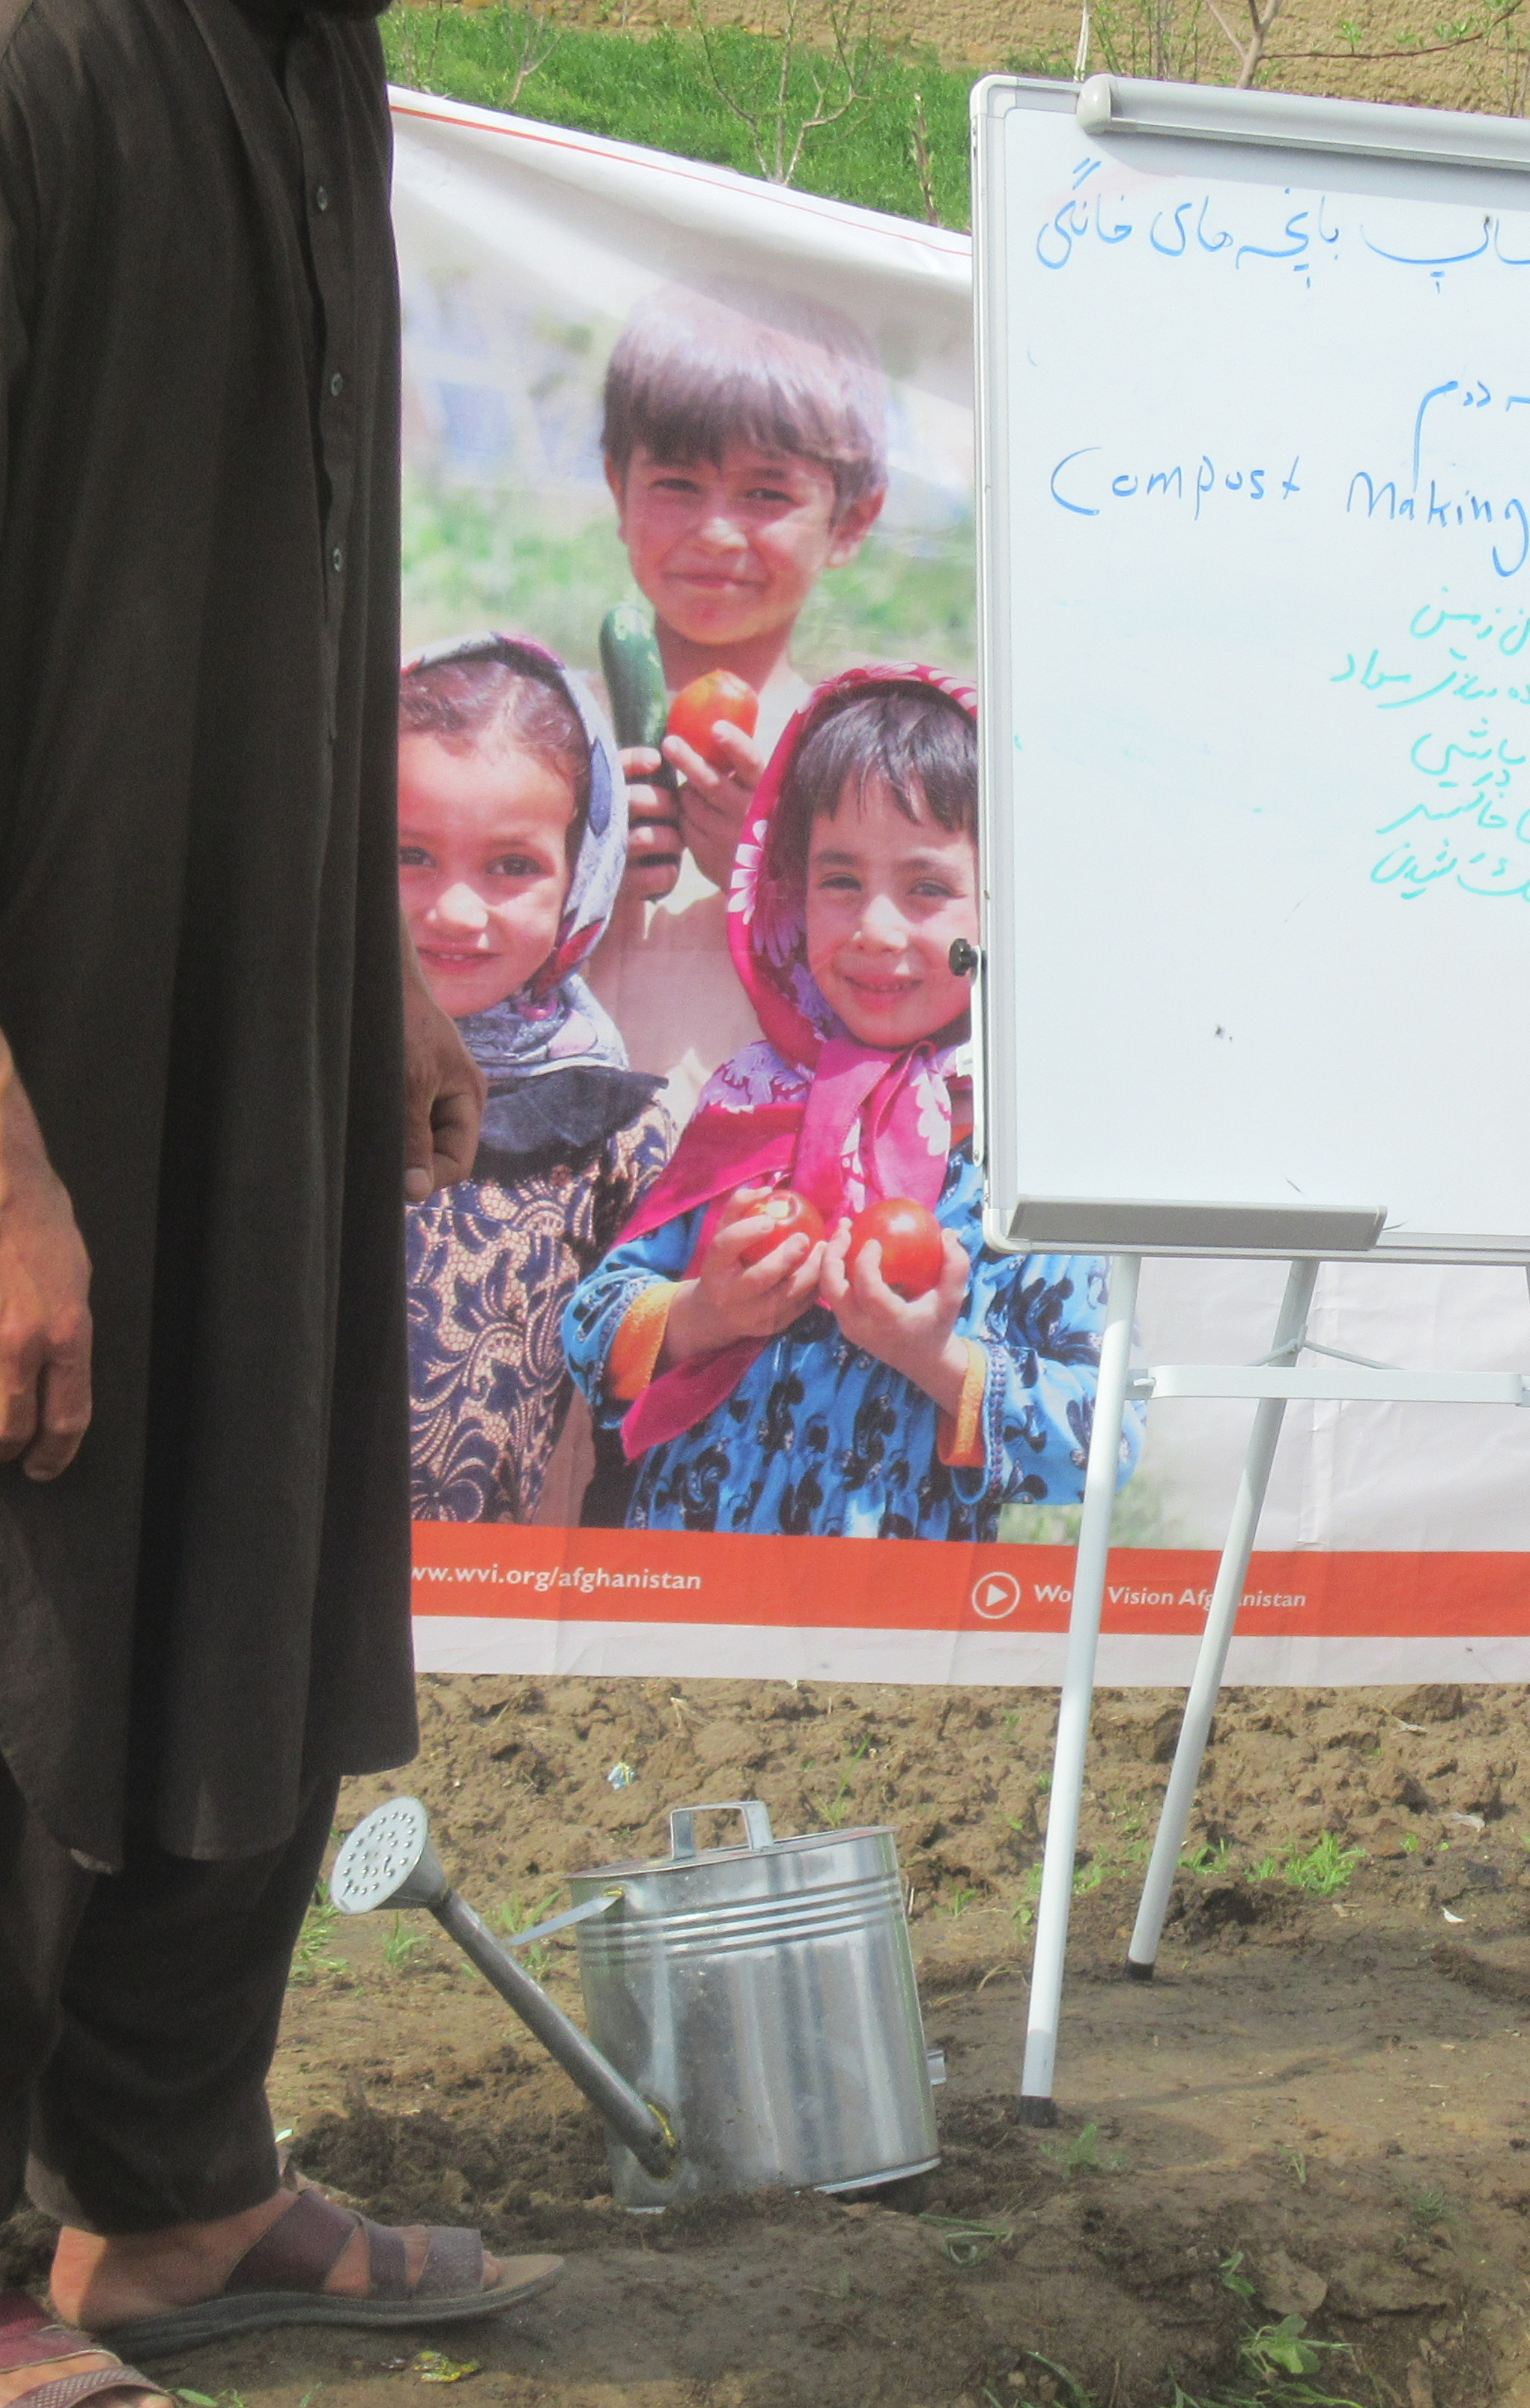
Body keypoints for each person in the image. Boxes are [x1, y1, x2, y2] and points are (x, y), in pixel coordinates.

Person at [0, 0, 557, 2408]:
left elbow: (271, 571)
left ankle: (173, 2181)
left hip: (241, 1014)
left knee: (248, 1592)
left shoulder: (294, 68)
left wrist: (372, 953)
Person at [566, 670, 1129, 1540]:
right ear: (789, 889)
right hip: (686, 1616)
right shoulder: (750, 1100)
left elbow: (1100, 1439)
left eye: (927, 890)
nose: (875, 929)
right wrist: (704, 1315)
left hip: (894, 1644)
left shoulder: (1025, 1154)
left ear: (1007, 909)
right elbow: (591, 1326)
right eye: (839, 880)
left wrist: (932, 1358)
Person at [589, 276, 895, 1100]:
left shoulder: (872, 761)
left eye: (766, 492)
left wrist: (782, 883)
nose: (716, 531)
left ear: (853, 520)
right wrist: (568, 874)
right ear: (619, 487)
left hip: (766, 1191)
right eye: (677, 484)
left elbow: (922, 998)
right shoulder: (544, 734)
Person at [398, 637, 676, 1526]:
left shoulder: (611, 1129)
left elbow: (645, 1406)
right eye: (410, 856)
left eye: (512, 866)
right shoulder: (283, 1067)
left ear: (583, 872)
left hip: (479, 1608)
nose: (455, 911)